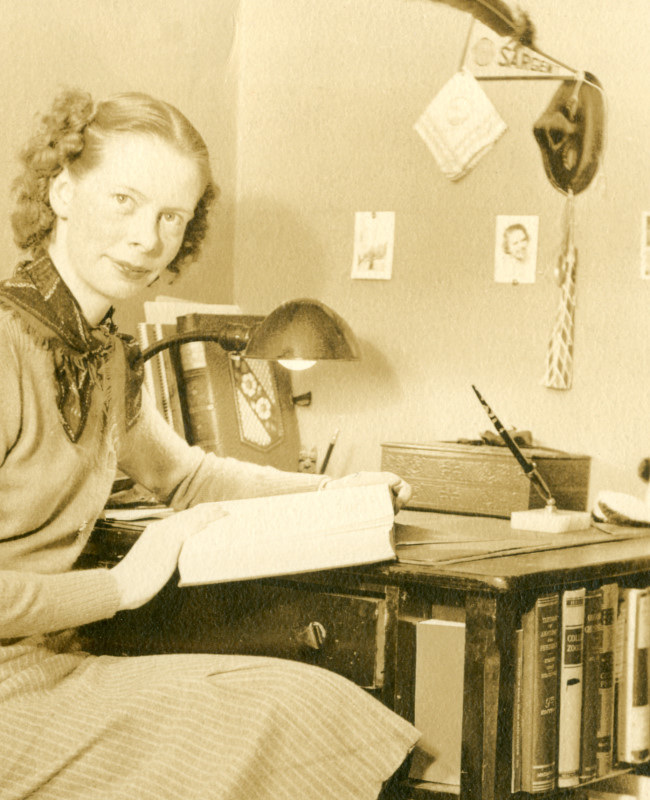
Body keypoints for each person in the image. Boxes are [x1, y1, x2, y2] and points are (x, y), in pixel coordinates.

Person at [0, 89, 419, 800]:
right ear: (63, 192)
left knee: (310, 704)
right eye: (124, 201)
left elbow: (186, 477)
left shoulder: (103, 355)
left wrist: (333, 492)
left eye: (173, 217)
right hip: (15, 701)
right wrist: (120, 586)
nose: (146, 238)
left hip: (47, 670)